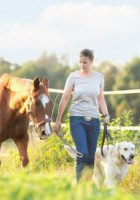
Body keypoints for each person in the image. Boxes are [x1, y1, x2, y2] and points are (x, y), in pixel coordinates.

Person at [54, 49, 110, 181]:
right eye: (80, 62)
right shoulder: (73, 77)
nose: (82, 65)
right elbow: (65, 98)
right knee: (82, 153)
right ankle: (79, 187)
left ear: (91, 62)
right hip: (77, 119)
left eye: (85, 62)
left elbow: (101, 99)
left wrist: (106, 114)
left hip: (94, 120)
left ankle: (87, 188)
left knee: (91, 157)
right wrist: (58, 120)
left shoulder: (99, 77)